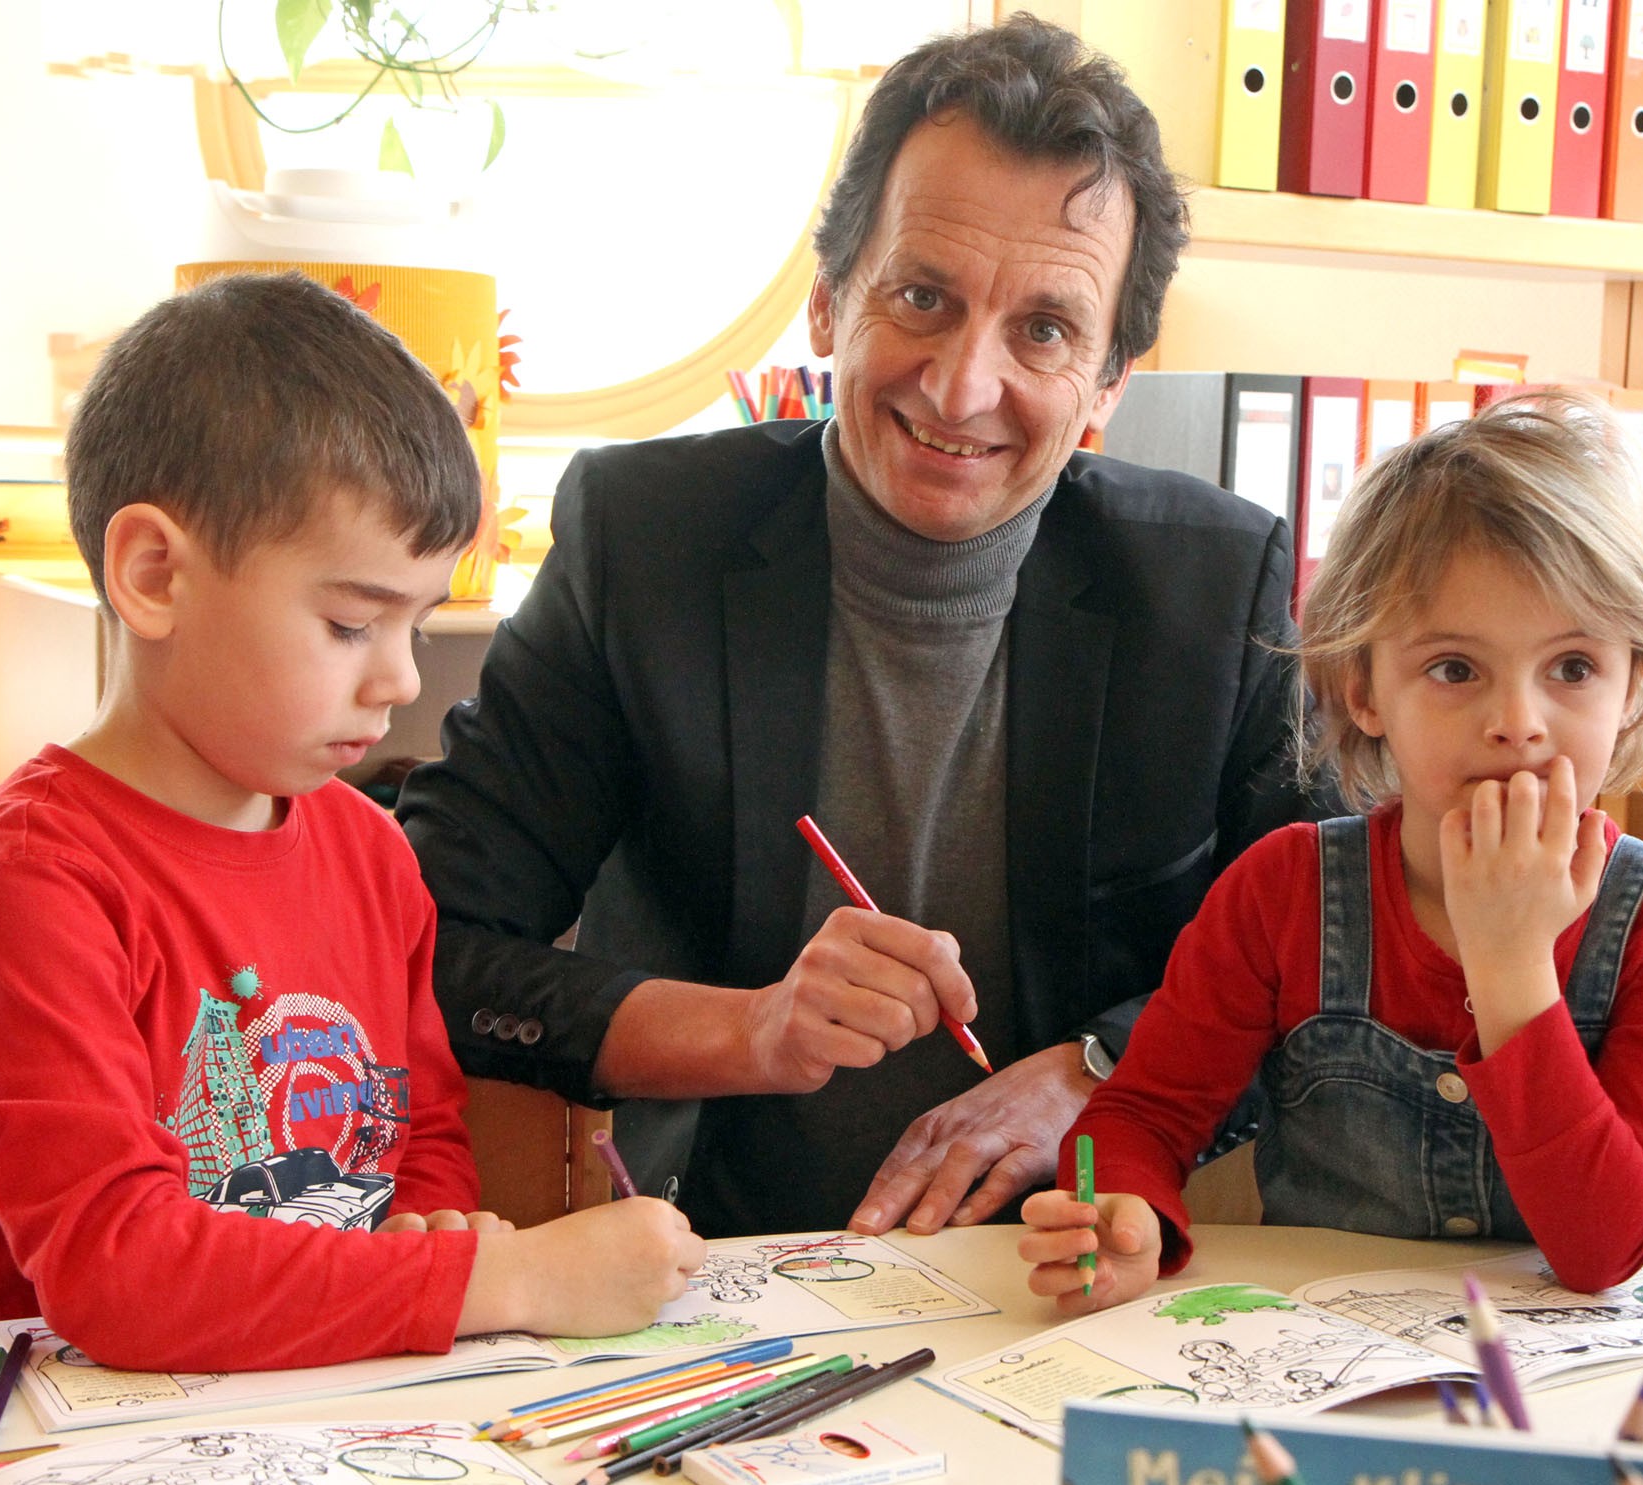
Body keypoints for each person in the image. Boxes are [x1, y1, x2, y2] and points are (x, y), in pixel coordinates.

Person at [398, 15, 1323, 1241]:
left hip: (1076, 1271)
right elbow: (429, 939)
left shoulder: (1213, 589)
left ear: (1108, 380)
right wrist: (747, 1029)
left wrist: (1102, 1074)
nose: (960, 387)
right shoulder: (644, 539)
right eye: (922, 297)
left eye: (1042, 330)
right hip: (714, 1259)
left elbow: (1331, 968)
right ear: (830, 303)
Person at [0, 273, 705, 1373]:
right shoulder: (38, 882)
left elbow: (414, 1141)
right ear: (153, 574)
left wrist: (432, 1233)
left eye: (413, 624)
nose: (400, 681)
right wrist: (505, 1276)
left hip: (323, 1403)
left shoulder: (370, 854)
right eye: (350, 623)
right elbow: (115, 1271)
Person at [1018, 393, 1643, 1305]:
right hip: (1328, 1380)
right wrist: (1122, 1209)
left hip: (1583, 1407)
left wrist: (1511, 963)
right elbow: (1142, 1113)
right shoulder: (1284, 891)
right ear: (1364, 689)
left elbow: (1606, 1250)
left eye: (1573, 668)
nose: (1518, 724)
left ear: (1634, 685)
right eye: (1455, 670)